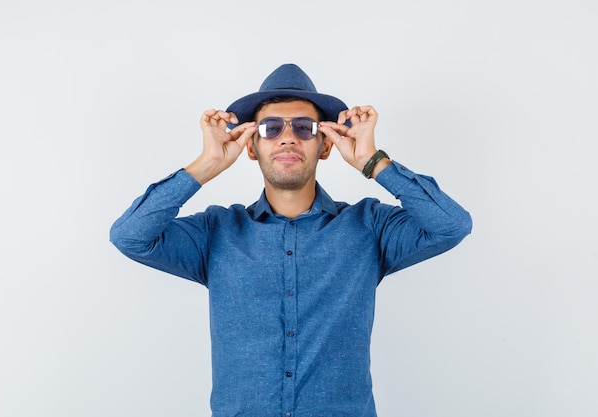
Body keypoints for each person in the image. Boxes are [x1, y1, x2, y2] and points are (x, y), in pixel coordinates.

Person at [110, 63, 472, 417]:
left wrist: (371, 160)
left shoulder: (369, 226)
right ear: (251, 148)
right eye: (270, 128)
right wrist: (207, 164)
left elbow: (451, 225)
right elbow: (130, 236)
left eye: (304, 127)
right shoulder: (215, 232)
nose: (287, 137)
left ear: (326, 146)